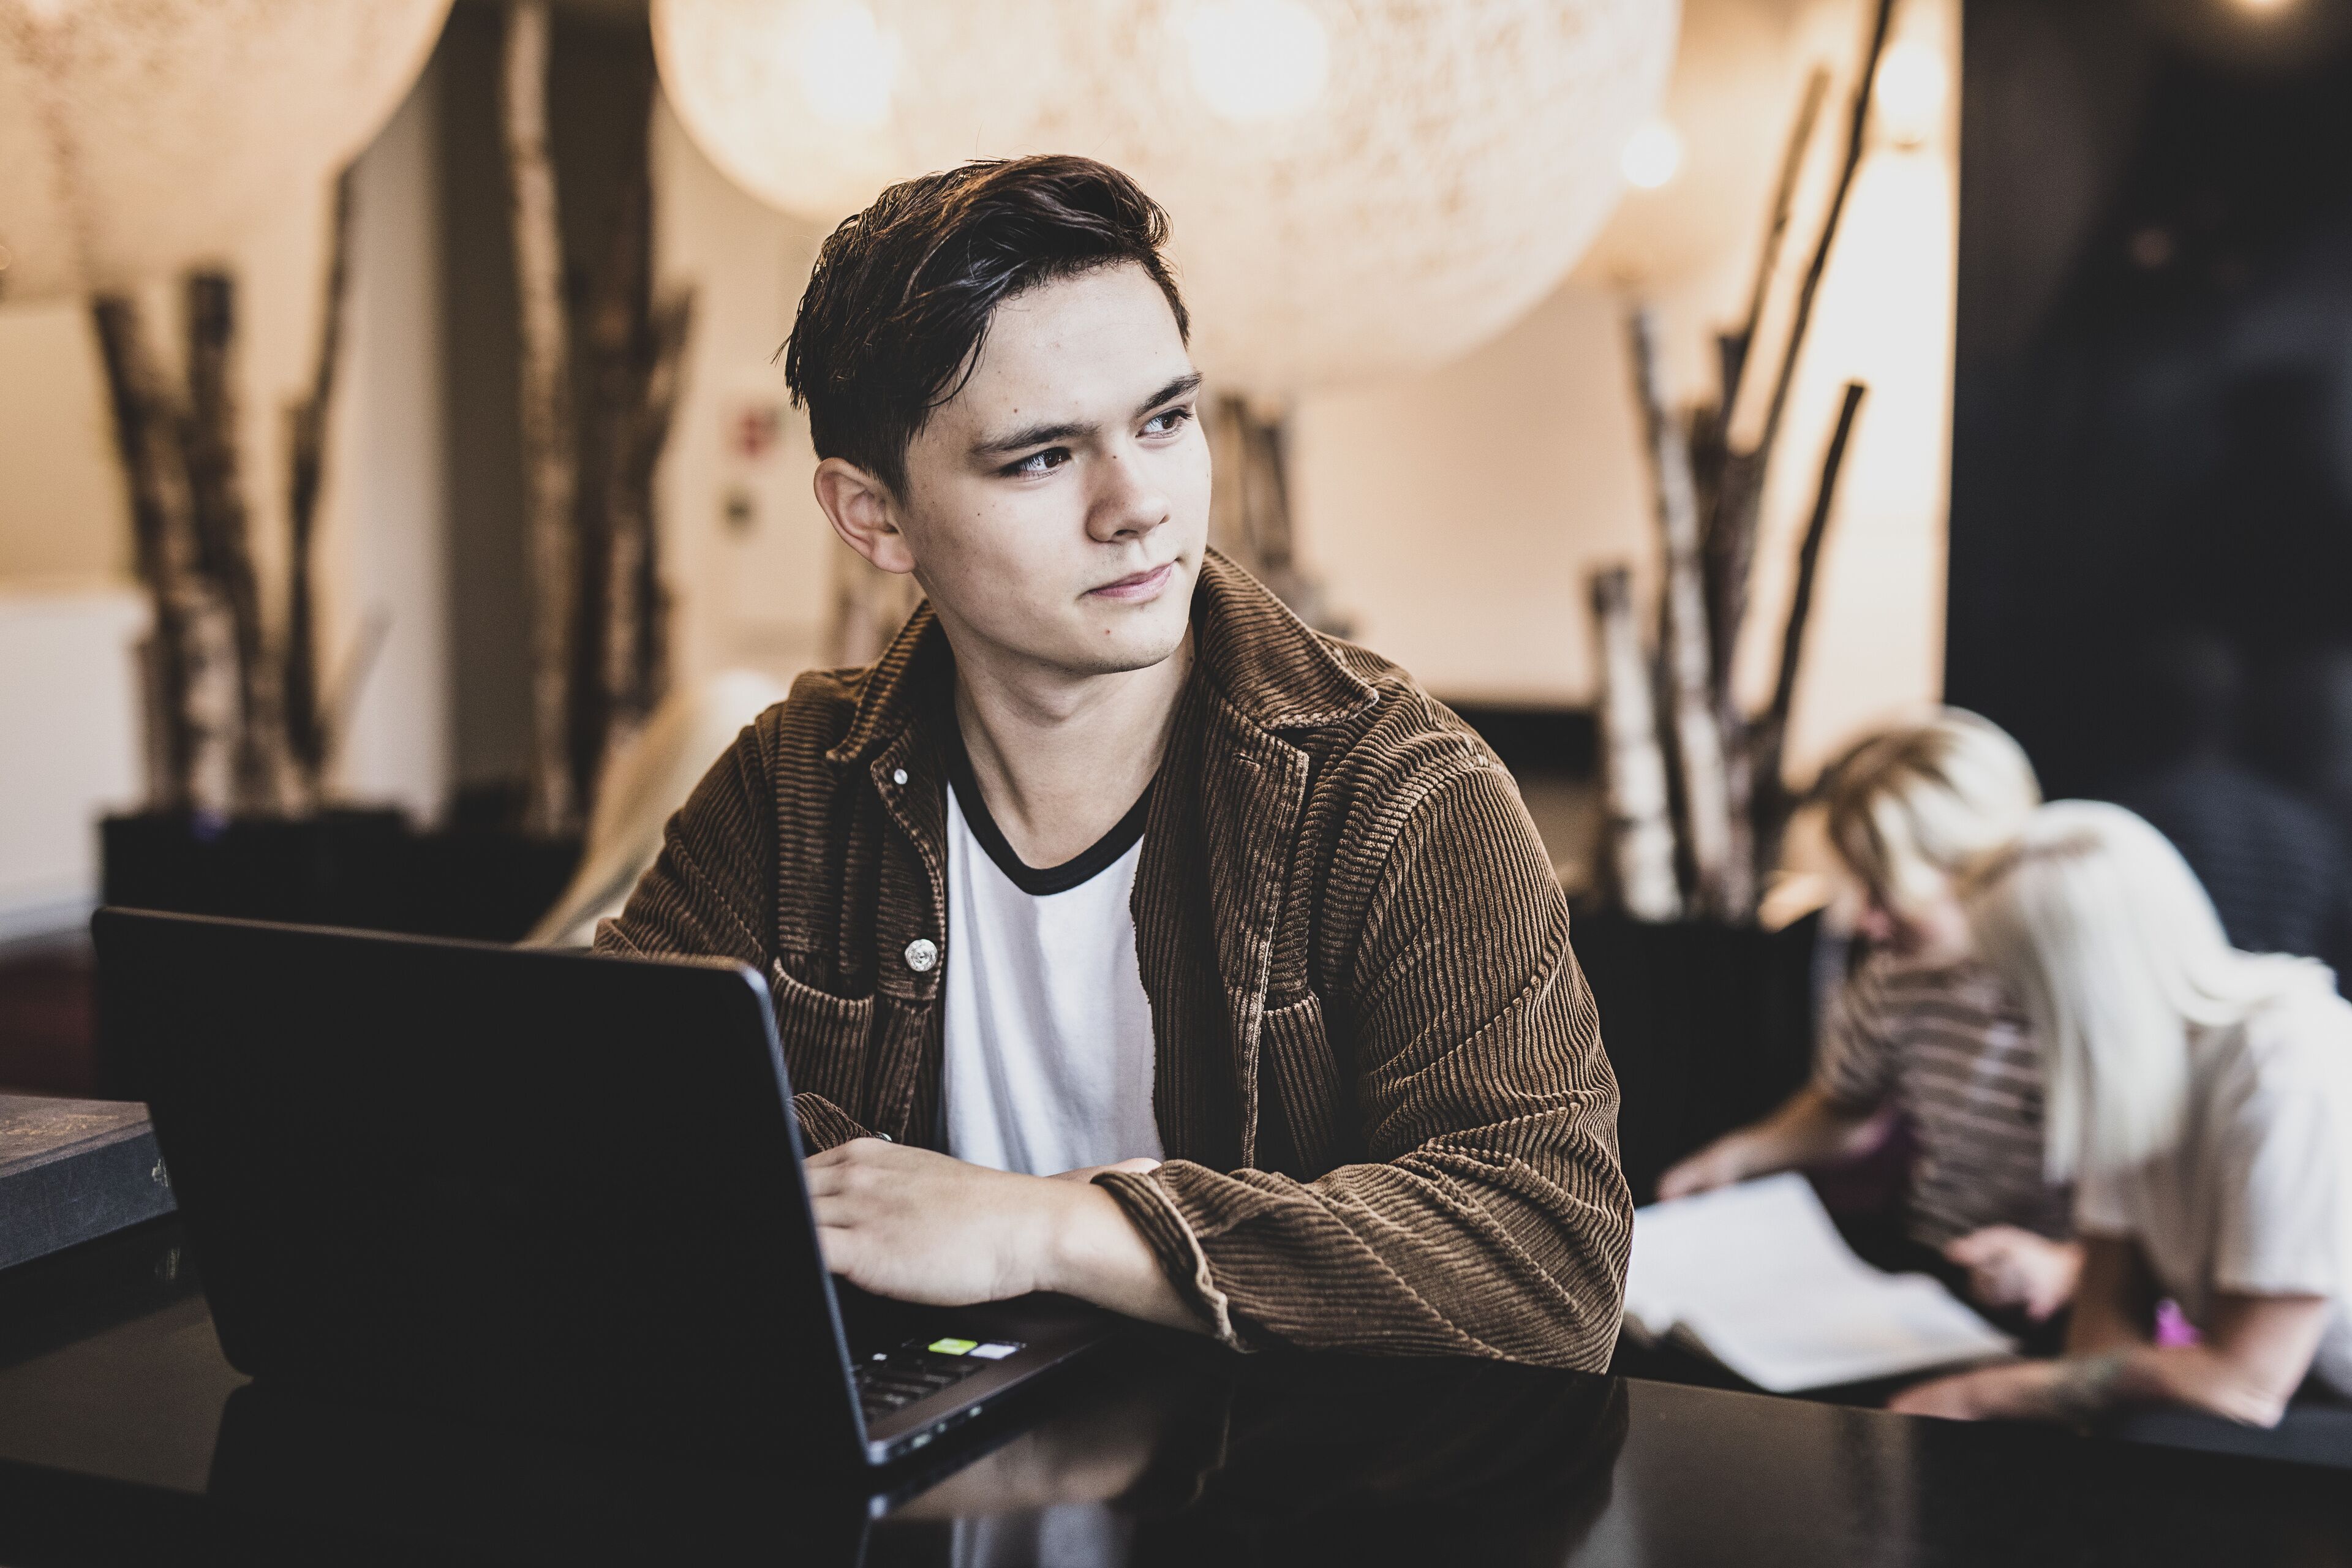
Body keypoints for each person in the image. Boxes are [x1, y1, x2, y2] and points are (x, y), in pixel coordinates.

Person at [595, 155, 1632, 1365]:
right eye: (1042, 455)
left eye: (1165, 419)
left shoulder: (1402, 792)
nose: (1138, 504)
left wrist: (1055, 1227)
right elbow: (611, 1109)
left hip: (1278, 1509)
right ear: (874, 516)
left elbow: (1546, 1263)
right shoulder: (793, 786)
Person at [1893, 802, 2352, 1427]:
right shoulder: (2130, 1076)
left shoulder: (2284, 1070)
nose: (2001, 1011)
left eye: (2013, 988)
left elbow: (2245, 1385)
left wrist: (1982, 1394)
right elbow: (2101, 1340)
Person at [1658, 712, 2081, 1322]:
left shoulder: (2079, 988)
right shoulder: (1897, 969)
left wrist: (2065, 1267)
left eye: (1887, 892)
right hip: (1936, 1274)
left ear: (1977, 868)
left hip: (2059, 1296)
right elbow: (1845, 1107)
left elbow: (2171, 1206)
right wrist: (1735, 1157)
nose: (1867, 922)